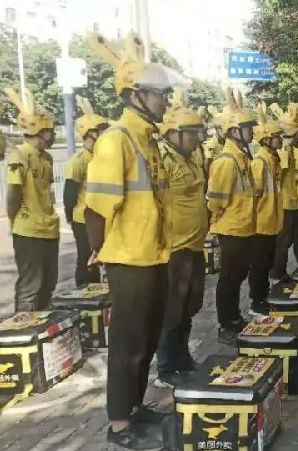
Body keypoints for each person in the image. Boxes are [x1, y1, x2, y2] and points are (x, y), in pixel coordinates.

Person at [85, 32, 180, 449]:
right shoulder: (115, 141)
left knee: (147, 338)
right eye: (160, 94)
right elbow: (95, 208)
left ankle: (136, 406)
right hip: (129, 262)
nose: (166, 102)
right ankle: (119, 423)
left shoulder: (148, 141)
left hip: (154, 256)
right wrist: (98, 250)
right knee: (128, 344)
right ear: (135, 95)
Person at [153, 90, 207, 388]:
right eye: (192, 133)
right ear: (173, 133)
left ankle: (182, 357)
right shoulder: (163, 160)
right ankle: (165, 367)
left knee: (190, 306)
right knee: (173, 309)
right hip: (175, 248)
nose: (197, 138)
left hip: (194, 245)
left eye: (198, 132)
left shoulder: (190, 159)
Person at [207, 87, 257, 346]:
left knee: (238, 276)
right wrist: (216, 226)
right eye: (247, 128)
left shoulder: (242, 158)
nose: (252, 132)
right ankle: (225, 324)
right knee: (228, 278)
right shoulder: (226, 161)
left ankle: (235, 316)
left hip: (244, 228)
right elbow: (215, 201)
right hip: (231, 230)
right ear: (234, 131)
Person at [3, 87, 59, 312]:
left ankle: (44, 327)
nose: (53, 135)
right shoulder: (20, 156)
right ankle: (24, 328)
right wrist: (13, 220)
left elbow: (48, 192)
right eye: (50, 131)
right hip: (28, 231)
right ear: (39, 131)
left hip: (49, 229)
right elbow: (13, 193)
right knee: (30, 287)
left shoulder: (47, 158)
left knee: (48, 284)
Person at [64, 96, 108, 288]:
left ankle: (95, 289)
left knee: (98, 257)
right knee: (86, 257)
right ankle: (83, 289)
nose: (104, 133)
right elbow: (69, 192)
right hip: (82, 219)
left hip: (98, 216)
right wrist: (70, 217)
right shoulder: (79, 160)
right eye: (100, 130)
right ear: (90, 133)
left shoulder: (101, 157)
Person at [248, 102, 284, 316]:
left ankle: (264, 296)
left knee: (267, 261)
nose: (281, 139)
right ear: (267, 140)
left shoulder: (272, 160)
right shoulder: (260, 163)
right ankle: (256, 302)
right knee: (260, 265)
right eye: (277, 136)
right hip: (261, 224)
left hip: (271, 221)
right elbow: (255, 196)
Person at [269, 102, 298, 280]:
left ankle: (279, 270)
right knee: (283, 240)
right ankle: (278, 271)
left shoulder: (288, 150)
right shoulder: (284, 152)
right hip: (284, 204)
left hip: (290, 202)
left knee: (286, 239)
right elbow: (278, 179)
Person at [202, 106, 226, 174]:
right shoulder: (211, 144)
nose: (224, 131)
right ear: (216, 129)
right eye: (221, 129)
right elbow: (207, 163)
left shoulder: (228, 142)